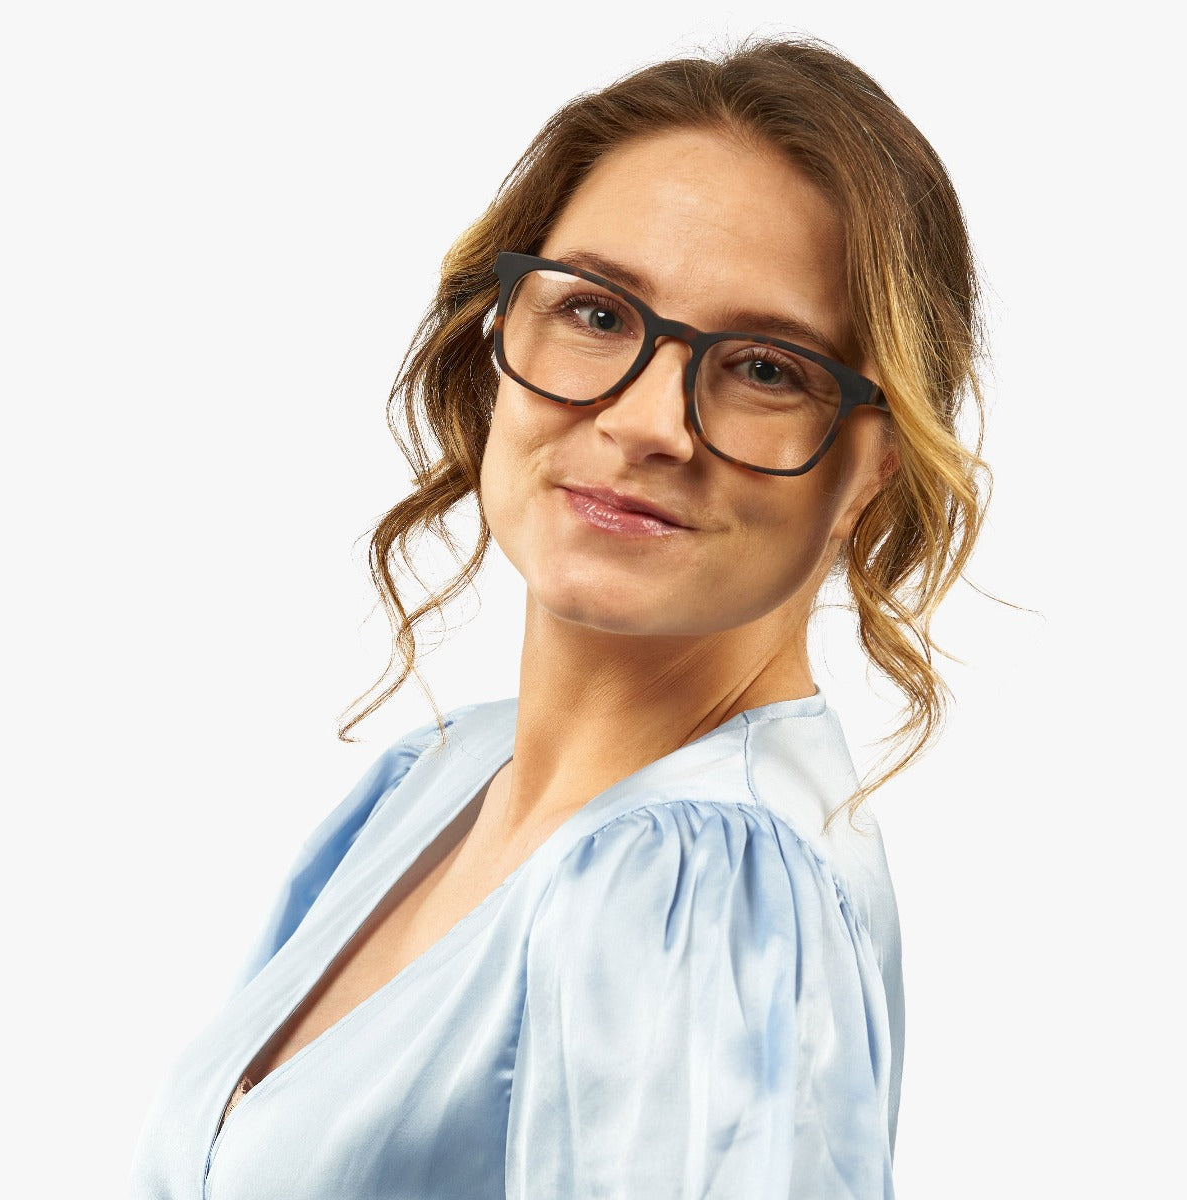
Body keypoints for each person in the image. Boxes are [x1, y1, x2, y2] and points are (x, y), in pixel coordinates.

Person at [129, 33, 988, 1200]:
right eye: (595, 312)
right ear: (497, 332)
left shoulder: (699, 888)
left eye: (765, 368)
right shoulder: (433, 780)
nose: (646, 423)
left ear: (871, 469)